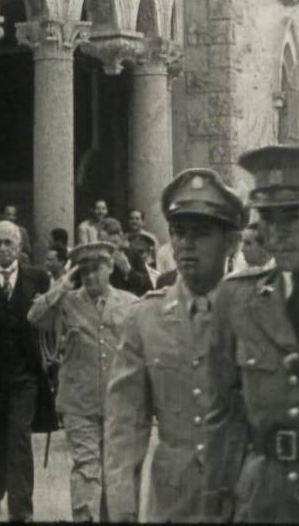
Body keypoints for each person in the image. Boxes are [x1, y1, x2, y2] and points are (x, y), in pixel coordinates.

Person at [204, 145, 299, 522]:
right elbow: (222, 413)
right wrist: (216, 500)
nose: (277, 233)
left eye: (293, 216)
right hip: (263, 501)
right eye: (268, 217)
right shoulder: (237, 298)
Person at [104, 168, 248, 522]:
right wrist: (122, 508)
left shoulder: (255, 315)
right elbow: (126, 423)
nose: (186, 244)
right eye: (179, 232)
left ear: (231, 242)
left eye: (201, 233)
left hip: (244, 499)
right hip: (173, 502)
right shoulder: (145, 319)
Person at [28, 242, 138, 520]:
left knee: (116, 472)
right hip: (78, 401)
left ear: (110, 268)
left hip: (119, 403)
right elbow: (35, 317)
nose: (89, 276)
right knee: (87, 468)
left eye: (96, 269)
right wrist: (62, 285)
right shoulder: (67, 302)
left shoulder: (130, 303)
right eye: (84, 271)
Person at [0, 220, 57, 521]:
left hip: (25, 375)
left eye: (9, 243)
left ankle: (21, 510)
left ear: (19, 246)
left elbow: (50, 325)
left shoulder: (38, 278)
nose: (3, 248)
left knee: (19, 438)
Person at [99, 218, 154, 296]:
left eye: (114, 242)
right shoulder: (97, 259)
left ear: (119, 237)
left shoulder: (132, 253)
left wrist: (128, 270)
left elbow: (147, 285)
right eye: (103, 243)